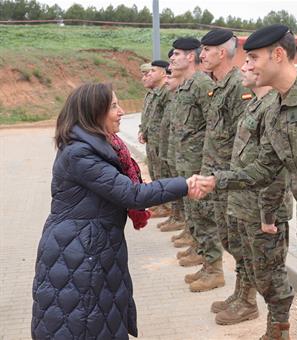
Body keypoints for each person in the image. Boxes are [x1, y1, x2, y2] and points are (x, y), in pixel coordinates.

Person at [195, 25, 297, 339]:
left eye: (253, 58)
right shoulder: (276, 110)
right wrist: (217, 180)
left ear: (278, 54)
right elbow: (263, 169)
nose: (247, 65)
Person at [31, 83, 202, 339]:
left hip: (91, 248)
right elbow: (132, 194)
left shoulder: (97, 147)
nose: (121, 111)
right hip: (79, 254)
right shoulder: (81, 155)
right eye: (113, 106)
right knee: (83, 323)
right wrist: (184, 185)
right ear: (93, 112)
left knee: (101, 320)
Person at [214, 60, 295, 331]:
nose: (244, 69)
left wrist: (267, 213)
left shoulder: (273, 106)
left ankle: (278, 330)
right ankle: (248, 302)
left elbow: (275, 168)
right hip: (244, 202)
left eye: (250, 63)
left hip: (263, 208)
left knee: (271, 275)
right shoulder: (255, 104)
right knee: (251, 265)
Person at [184, 28, 253, 294]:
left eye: (206, 50)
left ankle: (246, 299)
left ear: (222, 53)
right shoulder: (218, 87)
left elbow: (243, 139)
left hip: (231, 180)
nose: (202, 55)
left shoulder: (238, 86)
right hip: (217, 178)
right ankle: (239, 294)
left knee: (238, 242)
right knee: (228, 239)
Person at [168, 37, 216, 268]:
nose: (172, 58)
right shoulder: (184, 86)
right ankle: (200, 249)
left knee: (203, 212)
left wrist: (207, 164)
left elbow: (213, 124)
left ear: (190, 57)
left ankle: (212, 266)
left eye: (177, 54)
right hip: (186, 161)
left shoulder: (201, 84)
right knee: (193, 211)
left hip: (198, 163)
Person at [138, 60, 177, 219]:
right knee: (155, 172)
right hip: (153, 140)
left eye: (152, 71)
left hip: (162, 141)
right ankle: (161, 204)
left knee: (164, 173)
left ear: (162, 73)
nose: (146, 76)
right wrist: (143, 130)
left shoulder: (166, 92)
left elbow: (167, 119)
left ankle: (167, 206)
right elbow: (149, 116)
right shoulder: (153, 93)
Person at [157, 62, 188, 233]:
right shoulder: (175, 96)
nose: (166, 80)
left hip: (188, 155)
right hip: (174, 151)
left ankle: (194, 236)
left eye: (170, 76)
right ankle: (178, 218)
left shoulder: (197, 88)